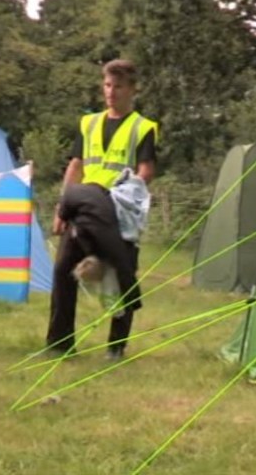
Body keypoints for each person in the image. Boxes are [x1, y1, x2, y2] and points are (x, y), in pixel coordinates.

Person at [47, 59, 158, 360]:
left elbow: (146, 170)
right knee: (62, 272)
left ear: (132, 89)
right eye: (107, 85)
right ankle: (60, 344)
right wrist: (62, 208)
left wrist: (125, 192)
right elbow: (76, 165)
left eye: (118, 86)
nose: (111, 92)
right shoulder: (89, 123)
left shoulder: (143, 127)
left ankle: (116, 347)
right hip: (83, 206)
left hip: (118, 210)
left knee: (121, 271)